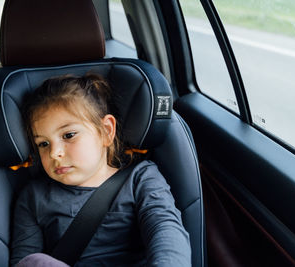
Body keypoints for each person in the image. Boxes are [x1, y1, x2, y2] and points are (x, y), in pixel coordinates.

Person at [10, 73, 191, 267]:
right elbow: (23, 260)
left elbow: (165, 230)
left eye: (69, 135)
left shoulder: (141, 179)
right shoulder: (34, 197)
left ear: (106, 131)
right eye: (43, 143)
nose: (54, 153)